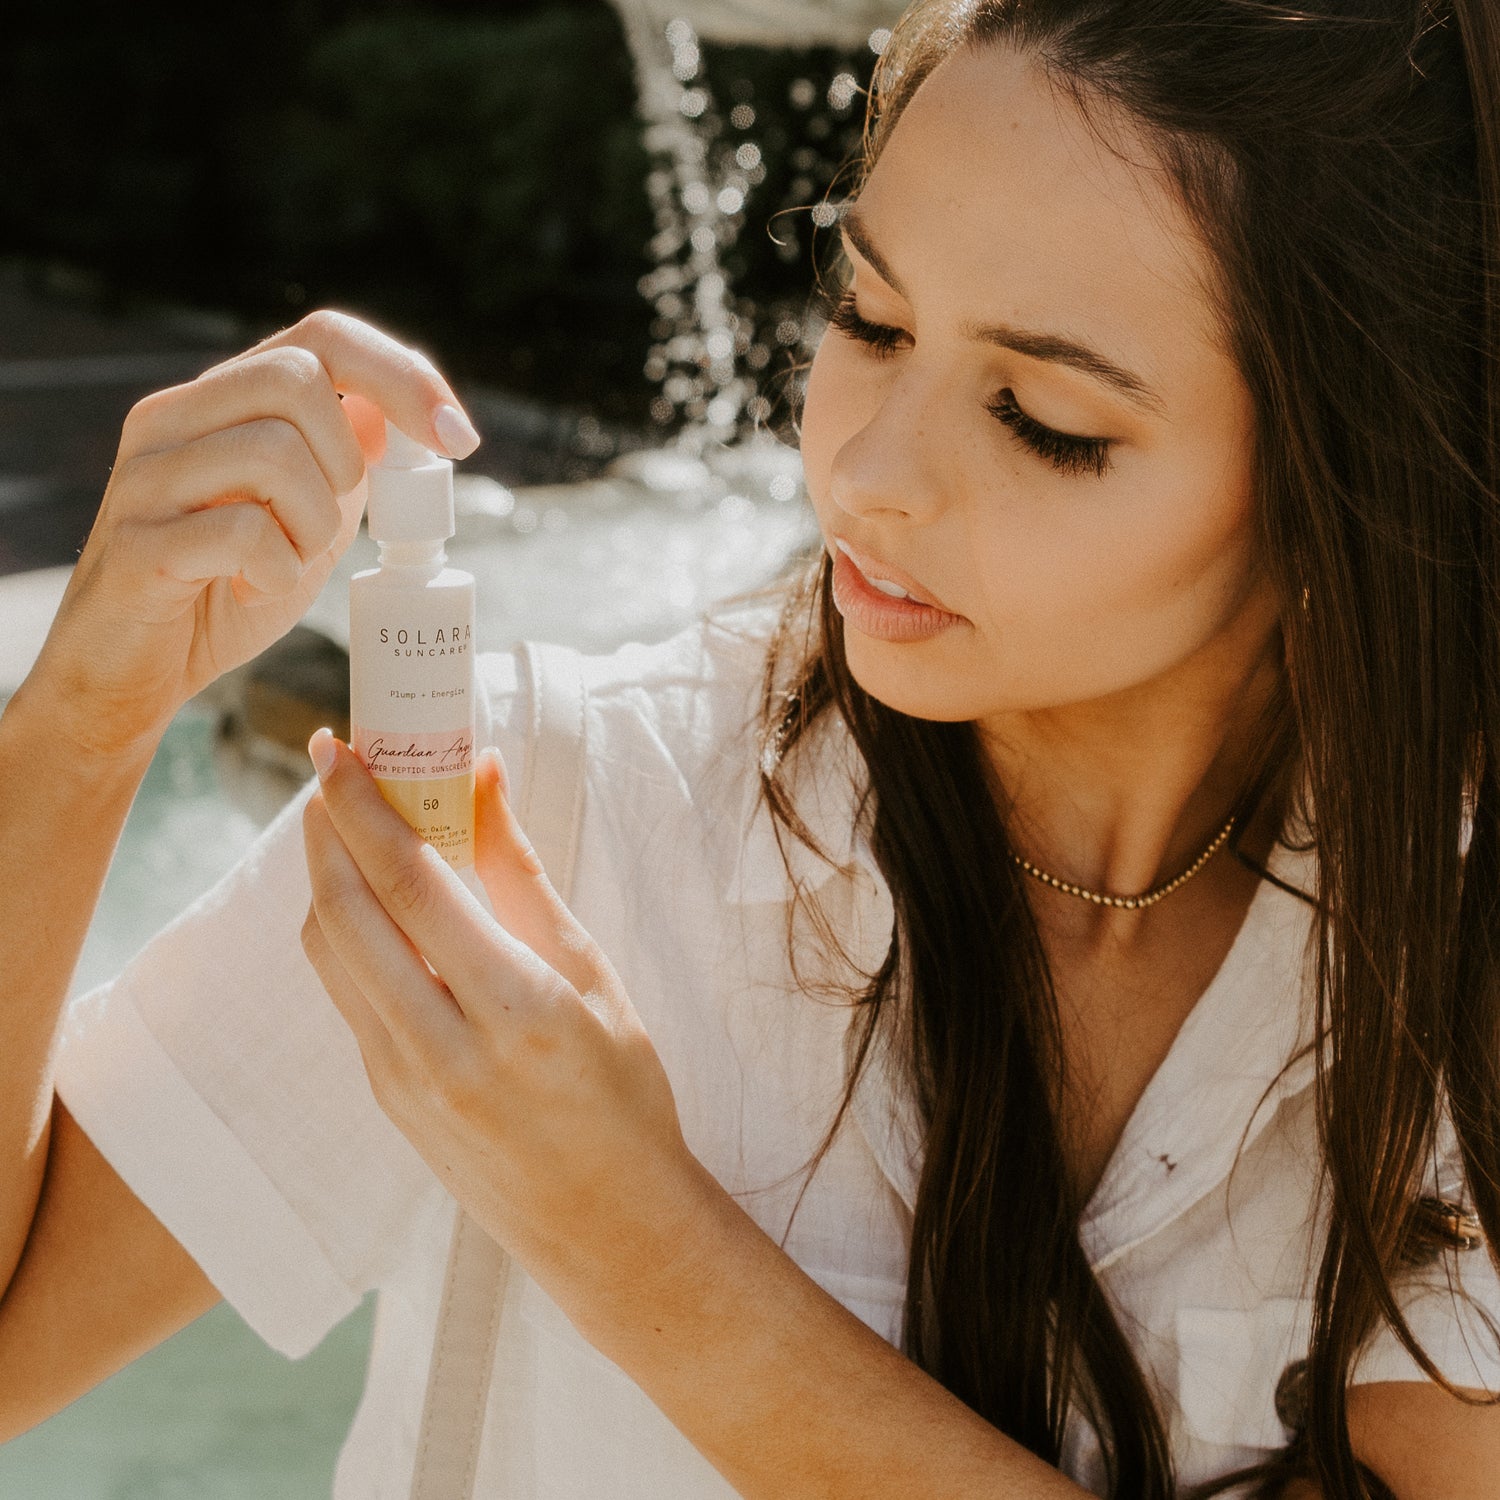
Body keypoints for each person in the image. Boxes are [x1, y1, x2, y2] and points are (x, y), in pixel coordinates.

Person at [2, 0, 1499, 1494]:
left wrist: (628, 1236)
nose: (867, 468)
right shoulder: (542, 809)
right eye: (869, 318)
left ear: (1348, 474)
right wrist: (83, 718)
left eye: (1042, 418)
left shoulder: (1446, 971)